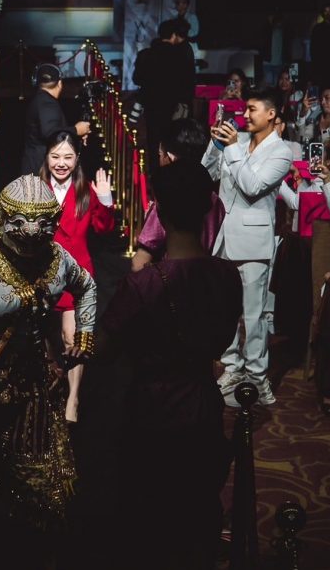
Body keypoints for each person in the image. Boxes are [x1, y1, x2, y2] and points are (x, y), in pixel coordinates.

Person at [100, 160, 241, 569]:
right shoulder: (227, 276)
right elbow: (224, 339)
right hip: (203, 404)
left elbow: (105, 349)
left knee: (149, 518)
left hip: (152, 409)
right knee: (197, 509)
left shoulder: (142, 284)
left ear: (158, 212)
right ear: (206, 209)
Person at [0, 175, 96, 544]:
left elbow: (87, 285)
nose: (32, 233)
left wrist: (84, 335)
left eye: (42, 224)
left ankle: (30, 526)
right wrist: (22, 298)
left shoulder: (57, 258)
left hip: (34, 372)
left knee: (35, 457)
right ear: (3, 219)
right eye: (21, 223)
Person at [202, 89, 294, 405]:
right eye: (245, 109)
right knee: (225, 310)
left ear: (271, 113)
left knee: (253, 316)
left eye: (252, 109)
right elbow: (207, 174)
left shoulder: (281, 152)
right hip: (224, 237)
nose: (245, 115)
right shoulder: (237, 143)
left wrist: (231, 149)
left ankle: (257, 376)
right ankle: (232, 366)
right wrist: (215, 145)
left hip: (254, 243)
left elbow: (253, 187)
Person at [38, 131, 113, 423]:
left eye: (68, 157)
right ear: (46, 157)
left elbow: (104, 229)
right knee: (41, 335)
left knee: (72, 338)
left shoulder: (85, 191)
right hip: (42, 274)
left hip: (75, 274)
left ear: (77, 159)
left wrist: (105, 200)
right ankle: (50, 379)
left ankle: (73, 397)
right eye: (55, 156)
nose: (61, 163)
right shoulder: (35, 189)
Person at [133, 119, 225, 269]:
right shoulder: (216, 201)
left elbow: (141, 260)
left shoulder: (169, 198)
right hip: (206, 274)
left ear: (170, 157)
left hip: (171, 275)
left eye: (160, 154)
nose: (160, 160)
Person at [133, 20, 195, 157]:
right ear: (173, 35)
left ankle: (155, 167)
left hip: (152, 106)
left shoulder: (145, 54)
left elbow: (136, 79)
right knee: (173, 142)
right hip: (173, 107)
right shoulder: (181, 55)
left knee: (153, 141)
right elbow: (188, 83)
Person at [22, 65, 85, 175]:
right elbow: (49, 132)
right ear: (60, 83)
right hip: (40, 168)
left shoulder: (40, 99)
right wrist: (76, 130)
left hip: (35, 166)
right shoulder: (47, 102)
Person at [309, 4, 330, 87]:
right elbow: (313, 48)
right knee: (320, 86)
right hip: (319, 64)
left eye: (329, 11)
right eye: (325, 11)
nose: (327, 14)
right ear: (322, 13)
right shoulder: (317, 28)